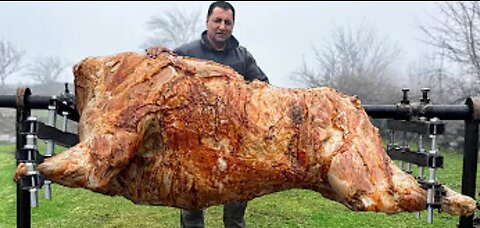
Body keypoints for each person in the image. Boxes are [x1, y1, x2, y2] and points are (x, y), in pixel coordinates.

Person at [146, 1, 268, 228]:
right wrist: (156, 54)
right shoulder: (186, 53)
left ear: (233, 25)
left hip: (235, 145)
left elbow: (263, 88)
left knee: (235, 212)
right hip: (194, 143)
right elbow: (159, 74)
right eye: (217, 21)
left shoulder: (243, 57)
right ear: (207, 22)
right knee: (191, 211)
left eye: (227, 22)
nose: (222, 26)